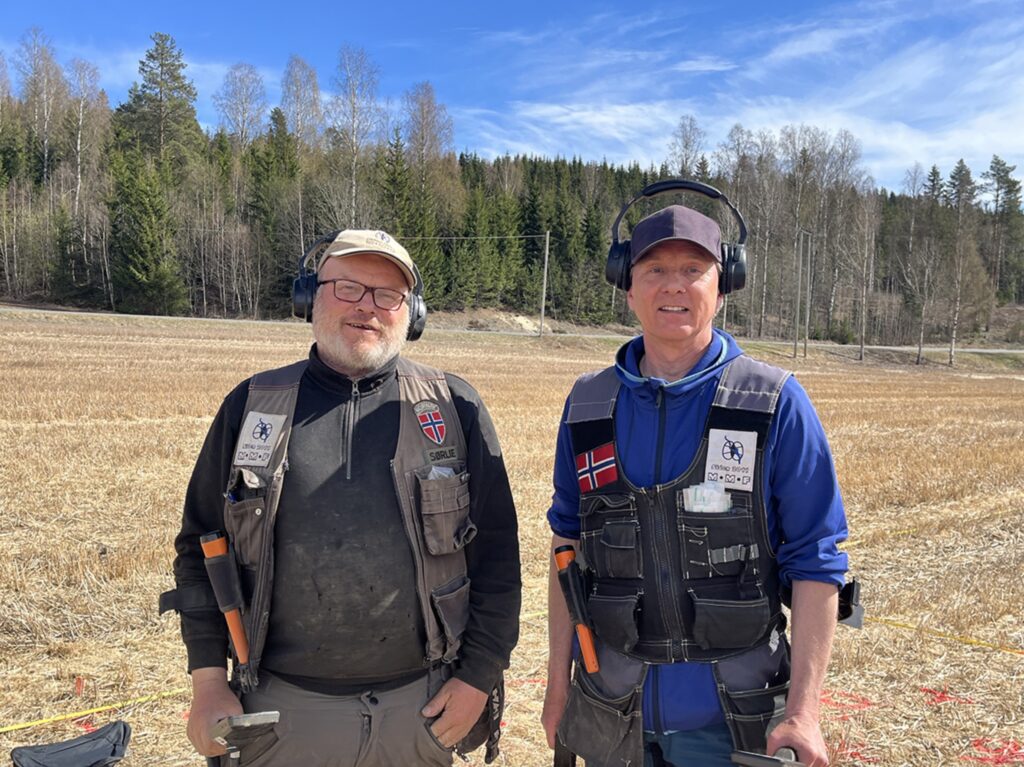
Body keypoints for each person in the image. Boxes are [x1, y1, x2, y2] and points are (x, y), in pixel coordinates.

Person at [161, 229, 521, 766]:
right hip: (278, 716)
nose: (367, 308)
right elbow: (200, 550)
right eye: (348, 287)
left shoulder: (454, 408)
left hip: (420, 711)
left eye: (388, 294)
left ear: (412, 314)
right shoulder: (253, 407)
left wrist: (477, 679)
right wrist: (209, 682)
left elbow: (498, 561)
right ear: (310, 297)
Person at [541, 197, 850, 767]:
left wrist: (804, 713)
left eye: (693, 269)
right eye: (654, 269)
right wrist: (558, 689)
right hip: (612, 716)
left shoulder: (773, 403)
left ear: (724, 284)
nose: (672, 286)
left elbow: (817, 560)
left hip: (736, 726)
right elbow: (568, 551)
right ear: (626, 286)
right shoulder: (588, 405)